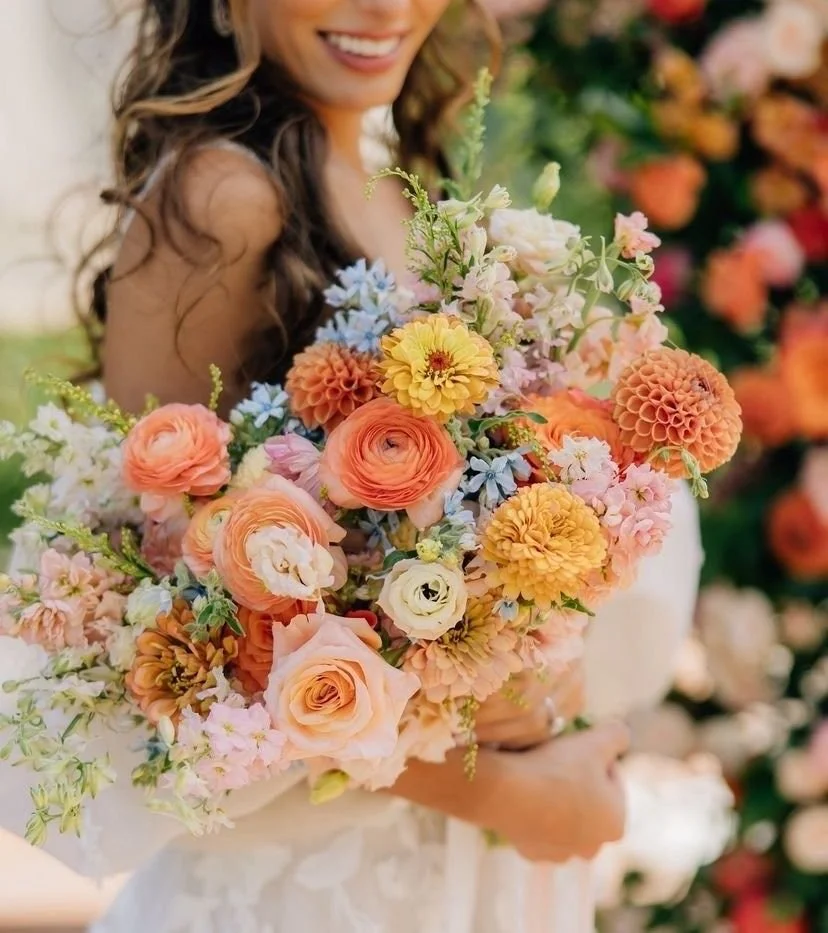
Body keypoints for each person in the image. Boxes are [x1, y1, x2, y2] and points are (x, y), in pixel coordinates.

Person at [11, 0, 630, 929]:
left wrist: (524, 666)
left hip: (435, 867)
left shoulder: (391, 184)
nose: (384, 9)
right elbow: (159, 645)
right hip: (307, 886)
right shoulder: (222, 195)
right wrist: (509, 796)